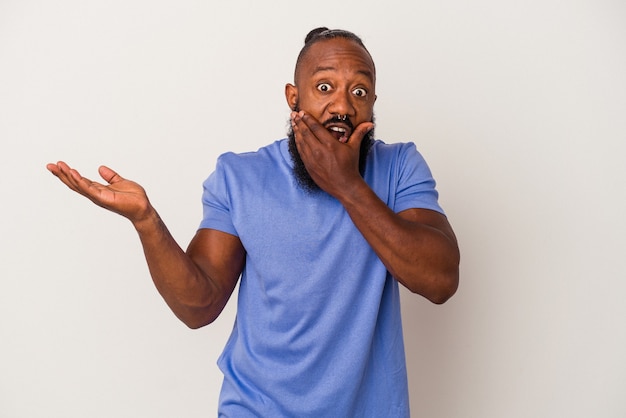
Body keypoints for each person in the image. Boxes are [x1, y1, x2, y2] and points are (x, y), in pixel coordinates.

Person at [47, 27, 459, 417]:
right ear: (293, 98)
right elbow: (199, 305)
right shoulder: (240, 177)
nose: (342, 105)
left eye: (359, 91)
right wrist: (147, 221)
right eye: (324, 87)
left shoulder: (400, 166)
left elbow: (440, 281)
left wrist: (347, 186)